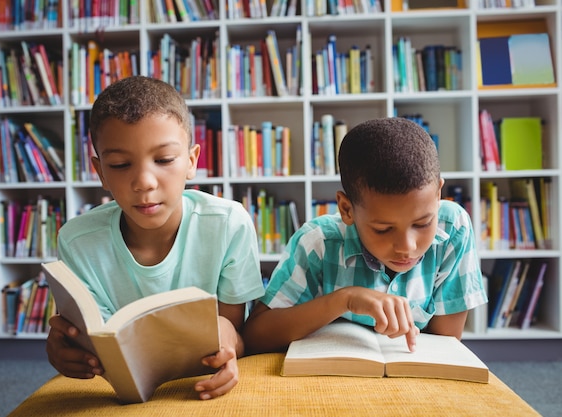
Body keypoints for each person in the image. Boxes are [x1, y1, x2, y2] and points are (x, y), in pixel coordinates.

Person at [46, 75, 265, 400]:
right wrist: (60, 349)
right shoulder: (78, 241)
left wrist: (229, 340)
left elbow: (234, 330)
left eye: (163, 160)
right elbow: (98, 342)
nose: (145, 182)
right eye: (120, 164)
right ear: (100, 171)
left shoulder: (229, 224)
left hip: (200, 386)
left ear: (192, 161)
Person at [242, 117, 488, 354]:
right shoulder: (318, 243)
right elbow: (255, 336)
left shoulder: (454, 228)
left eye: (423, 223)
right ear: (346, 209)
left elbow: (446, 345)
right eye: (383, 229)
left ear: (438, 195)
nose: (407, 246)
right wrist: (345, 299)